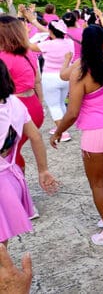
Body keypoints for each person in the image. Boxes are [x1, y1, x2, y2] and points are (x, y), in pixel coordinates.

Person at [52, 25, 103, 247]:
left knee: (96, 182)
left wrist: (58, 131)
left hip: (97, 132)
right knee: (102, 174)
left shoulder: (81, 72)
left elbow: (72, 112)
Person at [0, 59, 58, 246]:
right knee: (3, 238)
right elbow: (35, 136)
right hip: (10, 179)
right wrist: (43, 170)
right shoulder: (14, 103)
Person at [0, 16, 44, 171]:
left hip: (15, 107)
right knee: (14, 150)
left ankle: (16, 187)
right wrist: (40, 103)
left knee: (9, 153)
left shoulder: (3, 58)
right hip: (33, 103)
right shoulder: (27, 52)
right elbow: (37, 79)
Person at [22, 14, 74, 142]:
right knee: (61, 103)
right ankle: (61, 127)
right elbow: (55, 32)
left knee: (54, 105)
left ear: (50, 32)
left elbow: (28, 45)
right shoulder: (69, 42)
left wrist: (25, 32)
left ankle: (63, 132)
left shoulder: (48, 45)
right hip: (66, 76)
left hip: (50, 78)